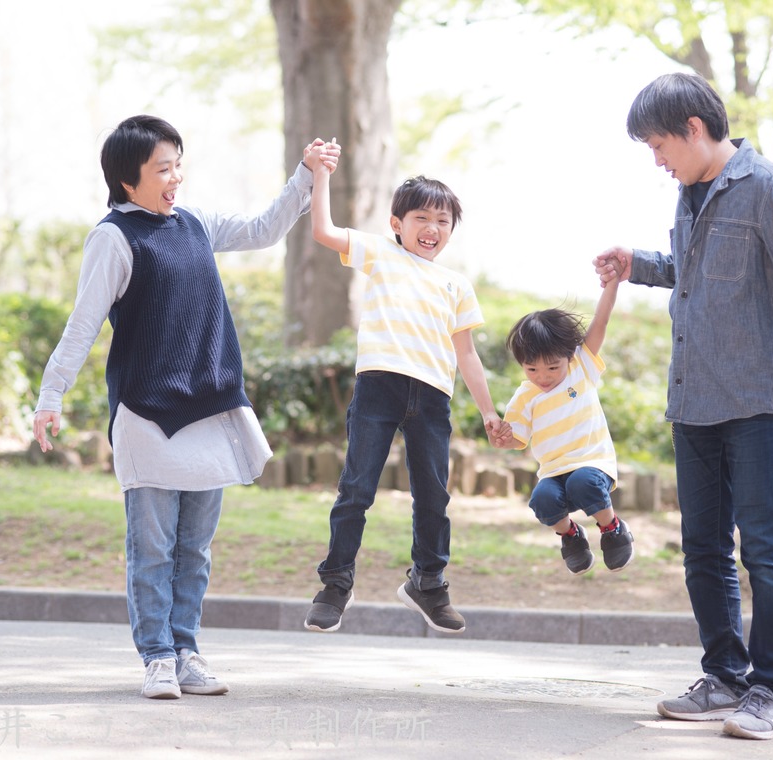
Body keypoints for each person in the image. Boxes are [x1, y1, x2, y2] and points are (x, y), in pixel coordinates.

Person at [32, 114, 340, 700]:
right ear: (128, 180)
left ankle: (187, 649)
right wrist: (52, 395)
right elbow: (83, 325)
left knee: (194, 549)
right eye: (162, 169)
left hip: (209, 406)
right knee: (152, 549)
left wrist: (305, 175)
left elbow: (263, 229)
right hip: (147, 414)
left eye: (178, 165)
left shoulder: (195, 222)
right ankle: (156, 657)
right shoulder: (113, 238)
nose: (176, 178)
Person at [594, 73, 773, 741]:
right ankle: (724, 675)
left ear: (696, 130)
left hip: (761, 399)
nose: (657, 160)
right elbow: (693, 267)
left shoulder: (770, 188)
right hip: (695, 398)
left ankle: (770, 691)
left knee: (765, 547)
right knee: (703, 547)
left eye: (658, 145)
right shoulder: (690, 193)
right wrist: (639, 263)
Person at [303, 146, 503, 636]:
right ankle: (335, 584)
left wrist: (490, 414)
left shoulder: (457, 285)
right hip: (379, 387)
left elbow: (467, 355)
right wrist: (320, 174)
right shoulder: (381, 253)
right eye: (421, 217)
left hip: (432, 398)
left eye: (442, 220)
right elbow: (324, 231)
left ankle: (428, 582)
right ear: (398, 223)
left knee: (434, 496)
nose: (432, 228)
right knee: (356, 490)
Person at [490, 272, 634, 575]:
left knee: (583, 483)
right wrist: (504, 439)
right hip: (554, 473)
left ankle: (612, 528)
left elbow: (601, 321)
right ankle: (570, 536)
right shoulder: (525, 396)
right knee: (541, 499)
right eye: (532, 369)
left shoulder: (581, 367)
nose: (543, 377)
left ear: (568, 357)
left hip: (592, 464)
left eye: (552, 367)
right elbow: (519, 439)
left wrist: (612, 284)